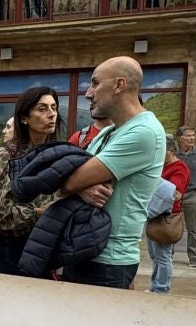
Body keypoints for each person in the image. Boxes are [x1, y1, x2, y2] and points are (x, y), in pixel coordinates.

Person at [55, 58, 172, 290]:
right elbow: (65, 182)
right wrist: (82, 187)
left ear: (119, 85)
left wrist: (76, 185)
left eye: (95, 83)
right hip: (82, 250)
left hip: (108, 262)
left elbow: (67, 183)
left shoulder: (144, 132)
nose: (88, 93)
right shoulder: (109, 131)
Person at [0, 85, 63, 276]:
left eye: (54, 108)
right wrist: (37, 214)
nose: (51, 114)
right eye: (42, 109)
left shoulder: (58, 155)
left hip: (45, 249)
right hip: (11, 252)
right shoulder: (7, 156)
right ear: (24, 118)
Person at [148, 142, 190, 295]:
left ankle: (161, 287)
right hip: (155, 214)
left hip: (167, 217)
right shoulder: (161, 165)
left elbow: (176, 193)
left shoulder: (180, 168)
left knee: (163, 254)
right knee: (154, 254)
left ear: (171, 151)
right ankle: (155, 284)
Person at [175, 126, 196, 267]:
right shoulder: (174, 154)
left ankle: (193, 256)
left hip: (193, 194)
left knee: (193, 228)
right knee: (173, 224)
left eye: (193, 136)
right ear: (180, 138)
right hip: (175, 194)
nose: (191, 139)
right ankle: (167, 253)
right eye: (188, 136)